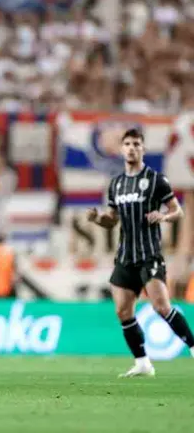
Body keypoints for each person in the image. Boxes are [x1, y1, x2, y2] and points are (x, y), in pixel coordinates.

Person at [87, 128, 194, 377]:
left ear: (143, 149)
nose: (132, 148)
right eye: (127, 144)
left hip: (149, 255)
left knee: (161, 305)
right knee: (123, 311)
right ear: (122, 149)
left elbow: (177, 211)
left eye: (136, 144)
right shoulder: (116, 184)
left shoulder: (156, 180)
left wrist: (163, 216)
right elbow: (112, 220)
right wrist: (97, 219)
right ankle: (142, 362)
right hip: (126, 257)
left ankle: (192, 346)